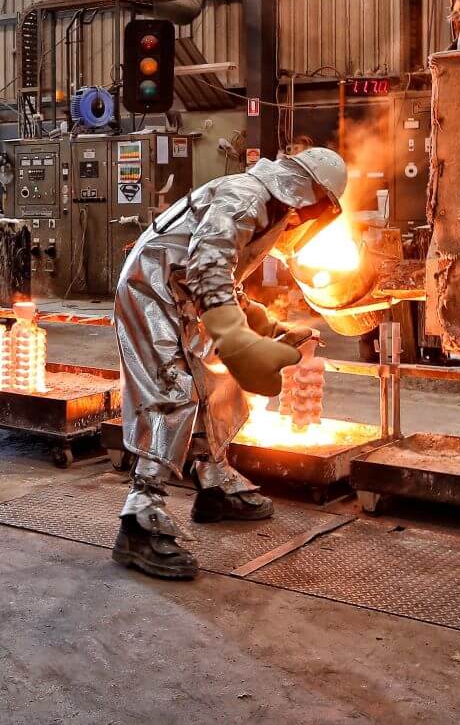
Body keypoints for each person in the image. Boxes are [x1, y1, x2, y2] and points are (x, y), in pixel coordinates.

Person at [110, 146, 349, 580]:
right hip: (153, 290)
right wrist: (235, 335)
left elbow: (226, 279)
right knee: (172, 392)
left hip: (185, 297)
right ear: (306, 194)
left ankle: (214, 483)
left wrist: (267, 325)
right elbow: (207, 262)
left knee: (215, 385)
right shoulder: (246, 196)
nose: (305, 221)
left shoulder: (260, 206)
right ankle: (140, 521)